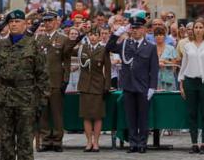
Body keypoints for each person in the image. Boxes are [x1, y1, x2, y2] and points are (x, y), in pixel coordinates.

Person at [0, 10, 49, 160]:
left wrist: (41, 101)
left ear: (24, 23)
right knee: (5, 141)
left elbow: (42, 75)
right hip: (4, 97)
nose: (14, 24)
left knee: (25, 141)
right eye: (11, 22)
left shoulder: (33, 45)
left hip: (26, 97)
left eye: (17, 21)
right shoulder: (0, 44)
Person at [105, 15, 158, 153]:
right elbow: (109, 47)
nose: (135, 31)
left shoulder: (150, 47)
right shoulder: (125, 44)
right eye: (133, 28)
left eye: (138, 28)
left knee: (143, 117)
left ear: (144, 30)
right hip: (128, 85)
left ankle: (142, 143)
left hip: (143, 86)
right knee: (131, 116)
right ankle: (133, 143)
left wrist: (152, 87)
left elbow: (154, 68)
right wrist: (117, 32)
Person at [35, 11, 75, 152]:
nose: (47, 23)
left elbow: (67, 61)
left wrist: (66, 80)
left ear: (56, 21)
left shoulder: (63, 39)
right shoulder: (39, 39)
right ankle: (46, 140)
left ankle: (57, 141)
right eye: (45, 21)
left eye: (50, 21)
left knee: (57, 113)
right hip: (42, 82)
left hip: (57, 81)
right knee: (44, 113)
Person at [178, 19, 204, 154]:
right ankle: (194, 143)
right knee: (192, 113)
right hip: (190, 81)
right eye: (196, 27)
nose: (198, 29)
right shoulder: (188, 46)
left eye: (201, 27)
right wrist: (181, 83)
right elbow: (183, 65)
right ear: (193, 30)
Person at [76, 29, 111, 152]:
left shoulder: (103, 49)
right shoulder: (82, 48)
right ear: (88, 35)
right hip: (85, 85)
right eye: (91, 34)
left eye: (96, 34)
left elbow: (107, 69)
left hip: (97, 85)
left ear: (100, 36)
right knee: (86, 115)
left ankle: (96, 142)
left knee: (97, 116)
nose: (93, 37)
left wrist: (107, 86)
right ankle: (88, 142)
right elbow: (70, 48)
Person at [155, 27, 177, 91]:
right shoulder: (151, 48)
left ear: (164, 36)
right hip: (155, 79)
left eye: (161, 35)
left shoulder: (171, 48)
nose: (158, 37)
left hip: (168, 79)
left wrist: (165, 62)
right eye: (156, 35)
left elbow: (175, 66)